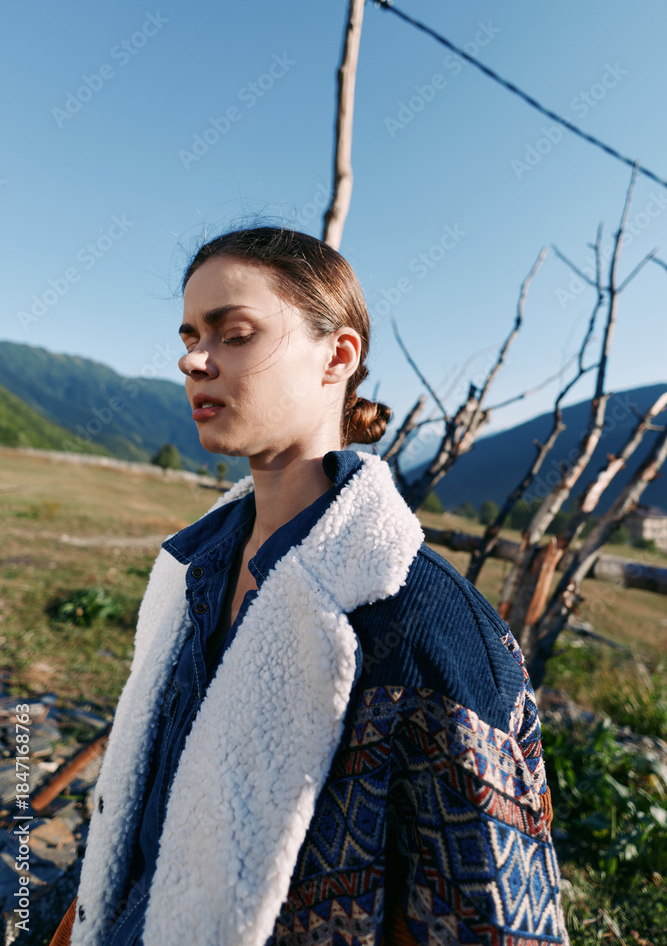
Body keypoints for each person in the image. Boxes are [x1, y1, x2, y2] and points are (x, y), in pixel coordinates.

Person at [51, 225, 570, 946]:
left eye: (233, 334)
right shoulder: (190, 570)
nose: (192, 359)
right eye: (190, 335)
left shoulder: (430, 631)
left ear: (337, 355)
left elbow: (494, 924)